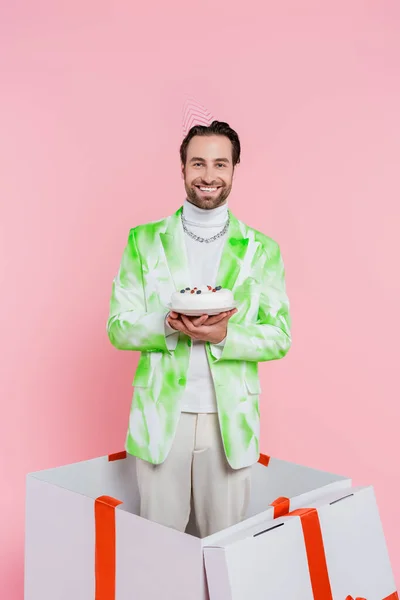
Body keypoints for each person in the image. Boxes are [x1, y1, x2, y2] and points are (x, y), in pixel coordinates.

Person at [107, 119, 291, 537]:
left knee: (224, 545)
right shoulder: (144, 241)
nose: (209, 176)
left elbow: (280, 335)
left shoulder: (262, 250)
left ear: (234, 169)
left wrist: (226, 336)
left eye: (220, 165)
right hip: (159, 418)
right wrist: (168, 326)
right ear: (183, 168)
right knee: (159, 544)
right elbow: (118, 327)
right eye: (198, 164)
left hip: (230, 422)